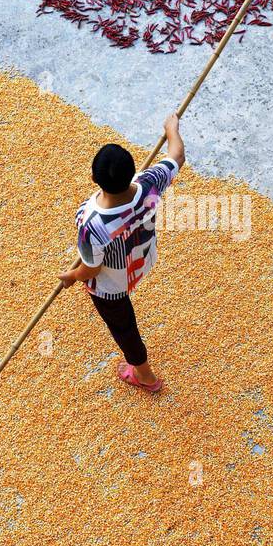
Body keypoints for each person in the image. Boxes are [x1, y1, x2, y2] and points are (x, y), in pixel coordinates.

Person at [57, 113, 185, 392]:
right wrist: (172, 130)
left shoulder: (92, 223)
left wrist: (72, 276)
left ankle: (145, 376)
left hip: (111, 287)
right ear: (132, 172)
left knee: (124, 327)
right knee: (124, 316)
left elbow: (90, 269)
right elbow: (177, 155)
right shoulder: (150, 183)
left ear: (93, 178)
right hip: (143, 260)